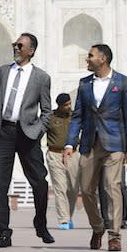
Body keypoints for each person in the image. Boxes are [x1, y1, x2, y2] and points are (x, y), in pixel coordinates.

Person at [0, 33, 54, 248]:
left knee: (39, 182)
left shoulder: (41, 77)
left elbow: (47, 111)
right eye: (15, 44)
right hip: (2, 132)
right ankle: (4, 232)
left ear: (31, 50)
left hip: (27, 134)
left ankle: (40, 223)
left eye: (20, 45)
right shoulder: (0, 73)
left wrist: (37, 130)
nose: (16, 47)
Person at [63, 43, 127, 252]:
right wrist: (70, 143)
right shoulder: (85, 84)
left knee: (112, 187)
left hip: (114, 143)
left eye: (90, 55)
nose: (87, 59)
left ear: (103, 59)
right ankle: (98, 227)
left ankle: (114, 235)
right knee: (86, 190)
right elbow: (77, 116)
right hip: (89, 144)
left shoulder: (123, 83)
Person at [45, 93, 80, 230]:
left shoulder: (76, 117)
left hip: (73, 155)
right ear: (59, 105)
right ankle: (63, 219)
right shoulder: (51, 118)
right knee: (60, 188)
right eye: (66, 105)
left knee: (73, 188)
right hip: (55, 154)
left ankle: (69, 216)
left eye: (69, 104)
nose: (69, 107)